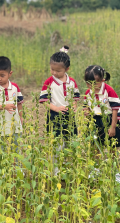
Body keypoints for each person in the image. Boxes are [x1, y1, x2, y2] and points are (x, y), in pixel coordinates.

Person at [39, 46, 80, 176]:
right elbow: (44, 100)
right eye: (52, 69)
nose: (54, 73)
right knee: (56, 143)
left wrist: (74, 106)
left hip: (69, 116)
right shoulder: (49, 82)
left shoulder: (72, 82)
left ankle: (67, 168)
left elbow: (75, 97)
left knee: (69, 142)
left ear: (67, 69)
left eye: (58, 70)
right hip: (54, 115)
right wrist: (56, 108)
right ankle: (55, 171)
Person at [83, 65, 120, 148]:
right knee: (96, 146)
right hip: (95, 121)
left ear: (102, 80)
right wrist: (86, 111)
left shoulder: (109, 91)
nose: (91, 86)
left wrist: (113, 126)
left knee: (112, 145)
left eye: (95, 83)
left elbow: (115, 109)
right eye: (88, 83)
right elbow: (86, 106)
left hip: (109, 119)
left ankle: (111, 161)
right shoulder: (88, 93)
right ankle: (97, 161)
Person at [0, 56, 24, 145]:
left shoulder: (15, 87)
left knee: (16, 149)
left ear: (10, 74)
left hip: (15, 125)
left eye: (2, 75)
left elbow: (19, 104)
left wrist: (21, 117)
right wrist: (5, 107)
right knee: (1, 150)